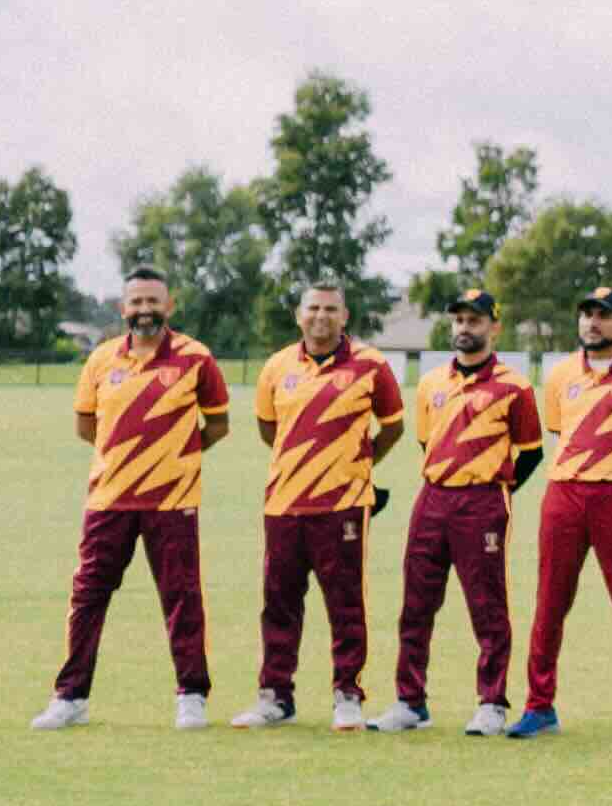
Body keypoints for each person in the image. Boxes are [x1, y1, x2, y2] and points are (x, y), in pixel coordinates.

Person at [33, 267, 231, 731]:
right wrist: (125, 458)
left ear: (170, 306)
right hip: (109, 500)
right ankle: (71, 696)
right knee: (88, 597)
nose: (145, 310)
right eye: (136, 302)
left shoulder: (196, 358)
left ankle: (192, 694)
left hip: (172, 501)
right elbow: (87, 426)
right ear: (123, 309)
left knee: (181, 596)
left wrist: (174, 456)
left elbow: (217, 425)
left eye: (153, 301)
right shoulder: (101, 360)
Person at [240, 280, 402, 731]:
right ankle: (275, 695)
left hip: (343, 505)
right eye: (313, 308)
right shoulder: (276, 367)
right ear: (299, 315)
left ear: (344, 317)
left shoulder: (371, 366)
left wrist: (356, 462)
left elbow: (391, 427)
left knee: (345, 602)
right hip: (284, 504)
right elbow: (269, 429)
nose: (321, 316)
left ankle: (347, 694)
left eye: (331, 309)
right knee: (279, 601)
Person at [517, 284, 612, 740]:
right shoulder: (561, 373)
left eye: (604, 315)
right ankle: (539, 705)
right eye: (587, 314)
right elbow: (557, 434)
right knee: (550, 600)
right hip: (564, 495)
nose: (593, 322)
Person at [386, 286, 541, 734]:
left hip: (482, 502)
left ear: (495, 327)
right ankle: (410, 701)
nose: (464, 329)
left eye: (474, 321)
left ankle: (492, 702)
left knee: (487, 605)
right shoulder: (433, 383)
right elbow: (426, 441)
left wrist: (494, 487)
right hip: (432, 497)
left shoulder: (514, 386)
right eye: (459, 321)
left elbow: (530, 452)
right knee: (415, 603)